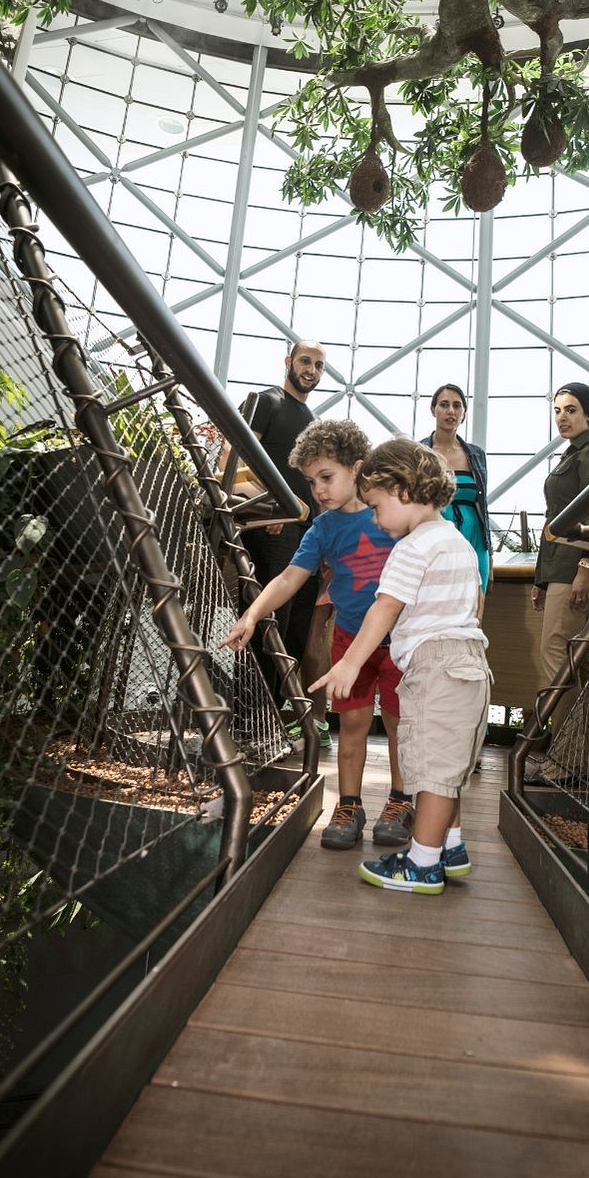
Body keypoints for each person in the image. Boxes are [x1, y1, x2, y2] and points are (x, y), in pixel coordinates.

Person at [223, 420, 415, 852]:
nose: (319, 491)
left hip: (400, 641)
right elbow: (290, 577)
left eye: (327, 477)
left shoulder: (392, 515)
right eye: (311, 482)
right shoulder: (323, 529)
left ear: (357, 468)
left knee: (400, 726)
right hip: (349, 640)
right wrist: (252, 614)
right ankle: (349, 806)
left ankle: (400, 802)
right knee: (352, 724)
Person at [313, 438, 490, 895]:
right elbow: (475, 603)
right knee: (449, 764)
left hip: (436, 667)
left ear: (403, 491)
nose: (374, 519)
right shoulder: (456, 541)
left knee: (431, 773)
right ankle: (451, 847)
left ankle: (422, 864)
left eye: (376, 507)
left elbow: (384, 608)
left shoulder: (412, 548)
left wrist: (349, 664)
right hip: (470, 664)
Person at [234, 339, 330, 744]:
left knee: (294, 632)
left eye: (319, 365)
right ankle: (247, 723)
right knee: (267, 624)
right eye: (305, 361)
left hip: (308, 534)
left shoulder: (312, 420)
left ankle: (270, 722)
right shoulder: (264, 401)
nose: (311, 370)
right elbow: (233, 458)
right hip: (273, 527)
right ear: (288, 361)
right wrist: (270, 507)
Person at [528, 382, 589, 784]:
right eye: (558, 410)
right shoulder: (573, 455)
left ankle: (565, 761)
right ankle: (585, 759)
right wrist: (541, 579)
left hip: (573, 569)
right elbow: (555, 520)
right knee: (574, 665)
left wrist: (585, 566)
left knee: (559, 663)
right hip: (558, 569)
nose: (562, 416)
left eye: (572, 409)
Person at [421, 383, 492, 596]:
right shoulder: (419, 452)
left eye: (457, 405)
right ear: (433, 410)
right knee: (438, 599)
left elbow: (483, 504)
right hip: (435, 539)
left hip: (475, 538)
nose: (450, 411)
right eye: (444, 405)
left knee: (476, 600)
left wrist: (490, 552)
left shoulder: (476, 454)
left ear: (464, 413)